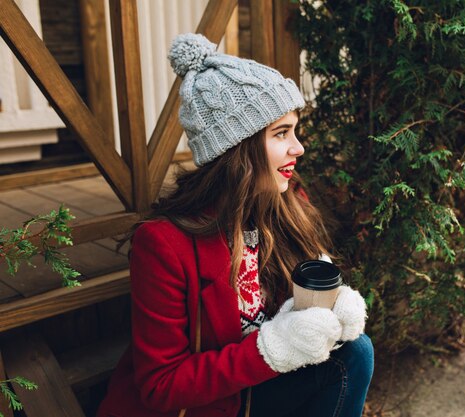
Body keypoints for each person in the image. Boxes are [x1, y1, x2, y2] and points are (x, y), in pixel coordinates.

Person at [96, 33, 374, 417]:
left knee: (355, 351)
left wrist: (332, 309)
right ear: (236, 148)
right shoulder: (162, 244)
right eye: (281, 133)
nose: (299, 147)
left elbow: (304, 306)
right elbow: (161, 385)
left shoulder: (288, 204)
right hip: (209, 406)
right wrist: (272, 348)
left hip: (259, 395)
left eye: (295, 130)